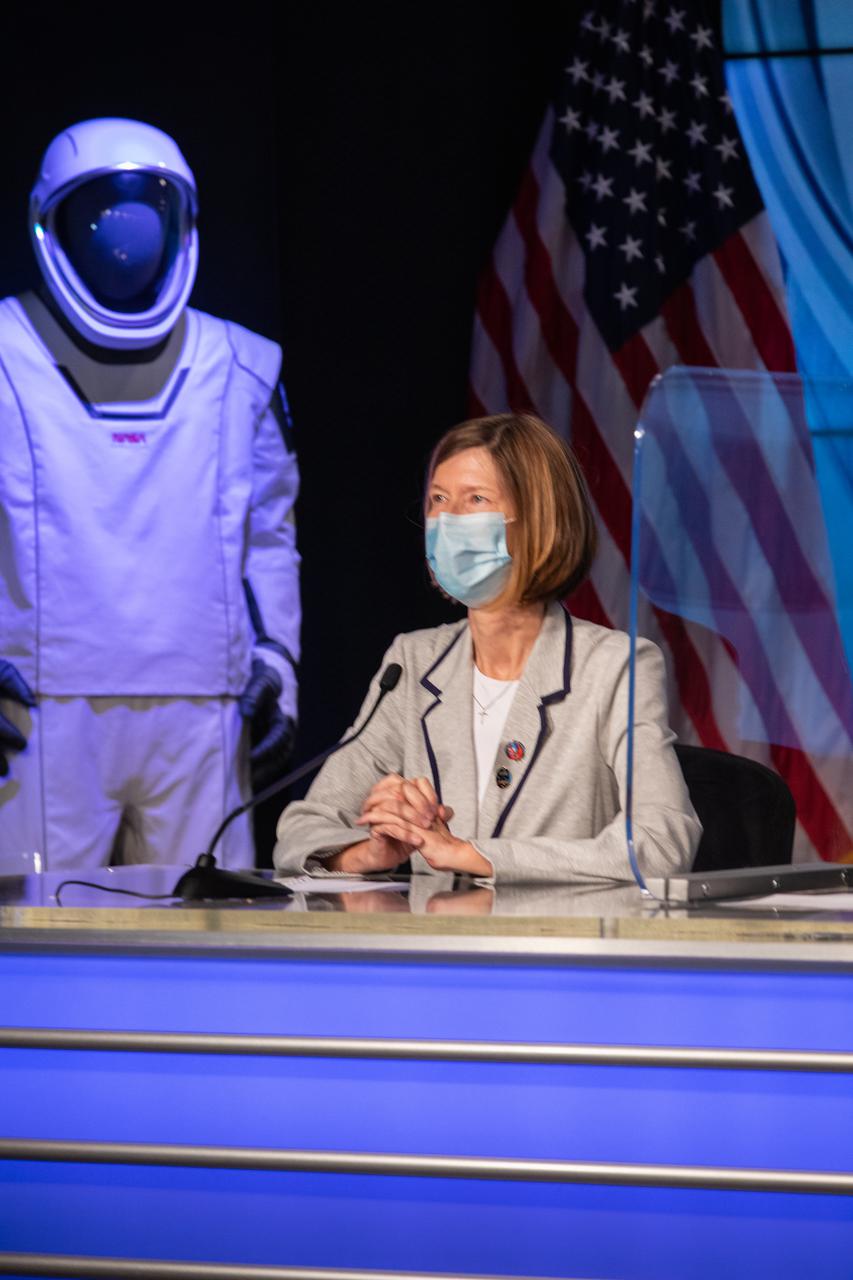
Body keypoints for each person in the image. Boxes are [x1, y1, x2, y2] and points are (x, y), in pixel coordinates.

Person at [0, 118, 300, 869]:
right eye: (100, 219)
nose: (122, 243)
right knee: (38, 948)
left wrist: (278, 663)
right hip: (37, 708)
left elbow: (269, 536)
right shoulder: (7, 353)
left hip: (205, 706)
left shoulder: (240, 366)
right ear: (50, 224)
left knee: (206, 947)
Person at [274, 413, 699, 884]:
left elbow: (661, 843)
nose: (448, 521)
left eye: (475, 500)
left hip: (553, 949)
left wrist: (473, 854)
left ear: (539, 521)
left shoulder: (614, 667)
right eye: (438, 500)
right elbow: (301, 830)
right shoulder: (413, 663)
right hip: (432, 950)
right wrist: (369, 851)